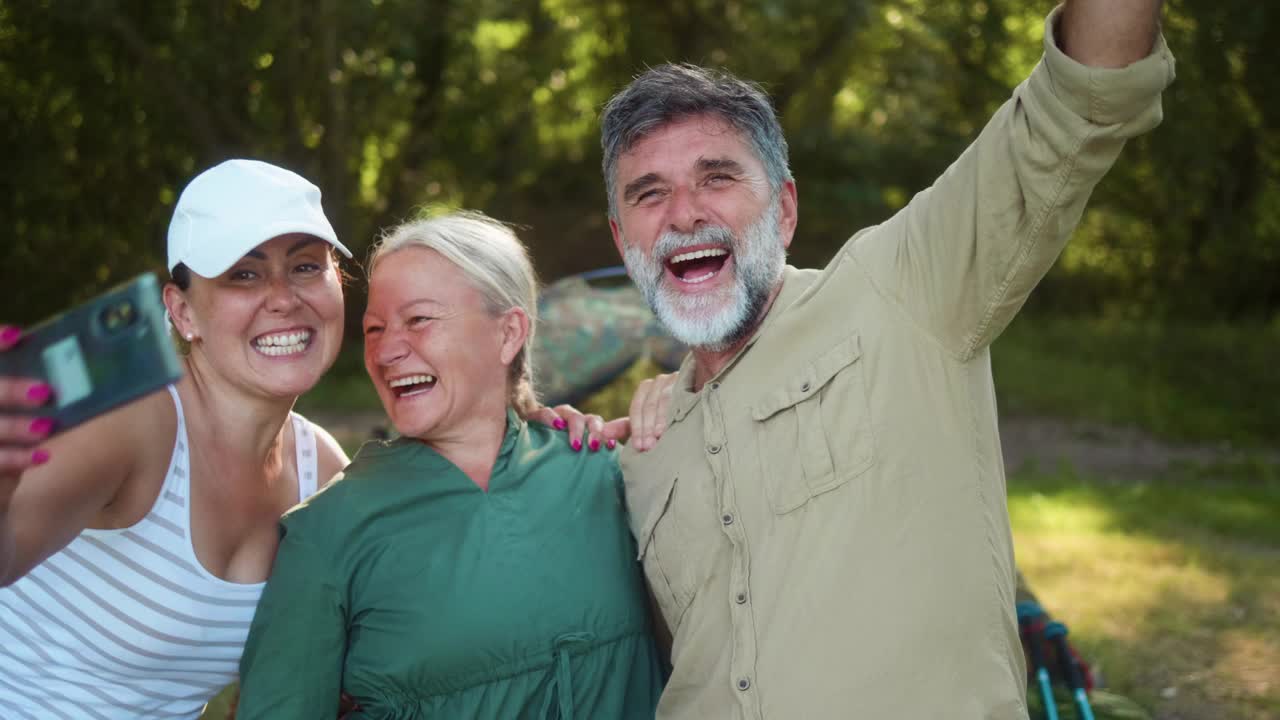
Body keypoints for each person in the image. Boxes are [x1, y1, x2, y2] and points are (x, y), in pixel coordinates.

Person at [601, 2, 1175, 718]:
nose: (683, 213)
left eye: (716, 177)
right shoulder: (636, 455)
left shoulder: (905, 286)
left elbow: (1082, 96)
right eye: (649, 194)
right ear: (624, 240)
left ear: (783, 209)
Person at [0, 160, 617, 718]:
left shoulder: (319, 466)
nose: (283, 299)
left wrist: (529, 430)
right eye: (244, 275)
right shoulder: (139, 424)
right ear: (183, 312)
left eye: (304, 266)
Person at [235, 211, 665, 718]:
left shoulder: (608, 475)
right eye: (374, 329)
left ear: (508, 335)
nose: (387, 350)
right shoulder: (330, 529)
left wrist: (677, 400)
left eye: (418, 320)